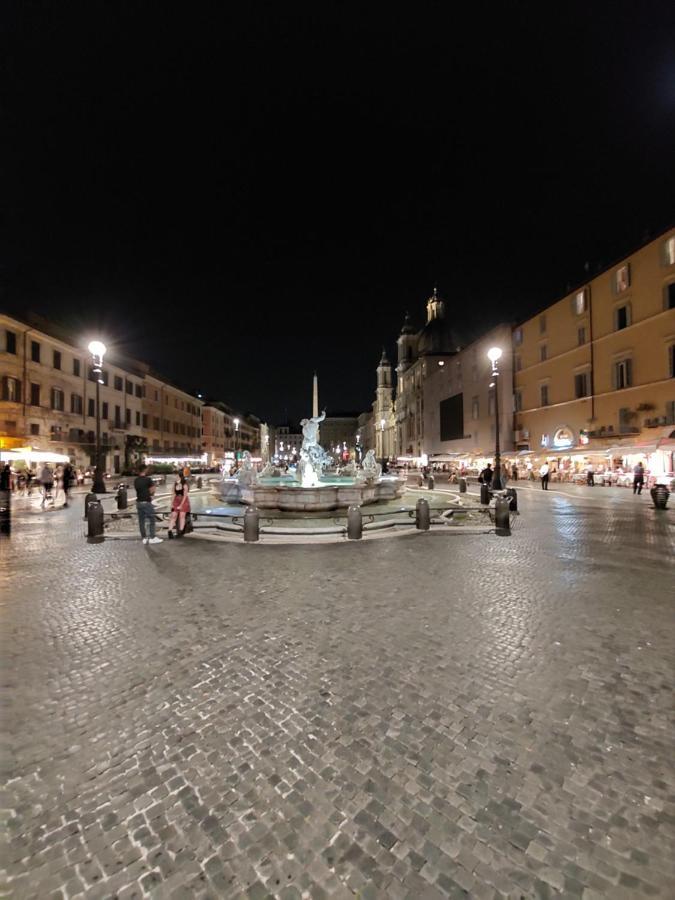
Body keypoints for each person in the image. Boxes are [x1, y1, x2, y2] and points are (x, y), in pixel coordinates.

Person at [134, 465, 162, 544]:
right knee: (152, 519)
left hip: (139, 502)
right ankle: (152, 537)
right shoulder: (148, 480)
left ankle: (144, 538)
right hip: (146, 502)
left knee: (141, 521)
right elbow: (153, 489)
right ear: (145, 470)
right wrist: (150, 493)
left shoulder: (136, 480)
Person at [168, 472, 191, 538]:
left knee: (182, 516)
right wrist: (171, 503)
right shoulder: (175, 484)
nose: (175, 477)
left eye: (176, 476)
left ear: (180, 477)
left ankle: (180, 532)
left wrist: (181, 505)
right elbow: (173, 494)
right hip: (176, 500)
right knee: (173, 516)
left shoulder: (185, 484)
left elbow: (185, 496)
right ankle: (170, 531)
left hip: (183, 501)